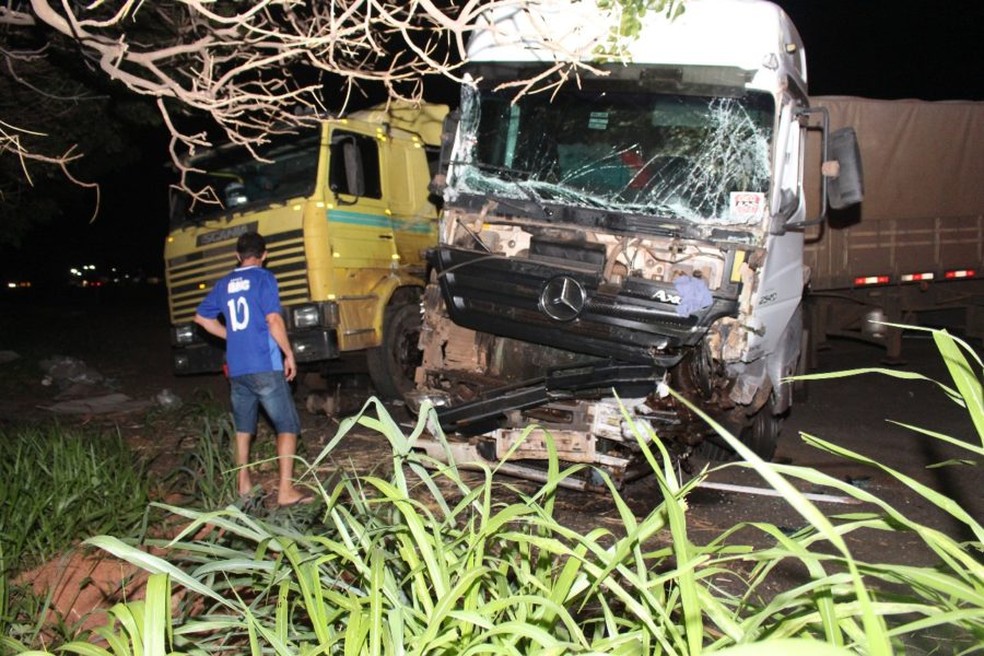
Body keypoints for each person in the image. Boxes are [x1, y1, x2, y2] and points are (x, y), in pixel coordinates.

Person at [194, 232, 311, 506]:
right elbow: (273, 320)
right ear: (264, 255)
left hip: (237, 368)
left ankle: (243, 485)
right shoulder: (264, 278)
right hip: (264, 365)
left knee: (244, 428)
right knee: (287, 425)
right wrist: (289, 353)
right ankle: (286, 491)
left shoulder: (224, 283)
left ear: (237, 255)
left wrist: (232, 336)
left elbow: (201, 318)